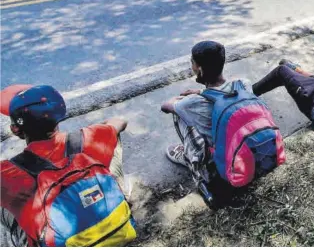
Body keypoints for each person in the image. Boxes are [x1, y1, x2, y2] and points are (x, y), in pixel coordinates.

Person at [0, 85, 130, 246]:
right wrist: (102, 127)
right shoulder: (89, 138)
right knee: (113, 138)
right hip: (115, 229)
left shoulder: (7, 172)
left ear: (15, 130)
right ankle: (121, 196)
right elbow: (120, 122)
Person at [161, 41, 254, 169]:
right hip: (247, 147)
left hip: (223, 161)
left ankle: (190, 158)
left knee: (179, 113)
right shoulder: (243, 84)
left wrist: (182, 98)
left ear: (199, 69)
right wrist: (201, 91)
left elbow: (165, 107)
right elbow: (223, 93)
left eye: (192, 62)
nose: (191, 66)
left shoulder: (192, 103)